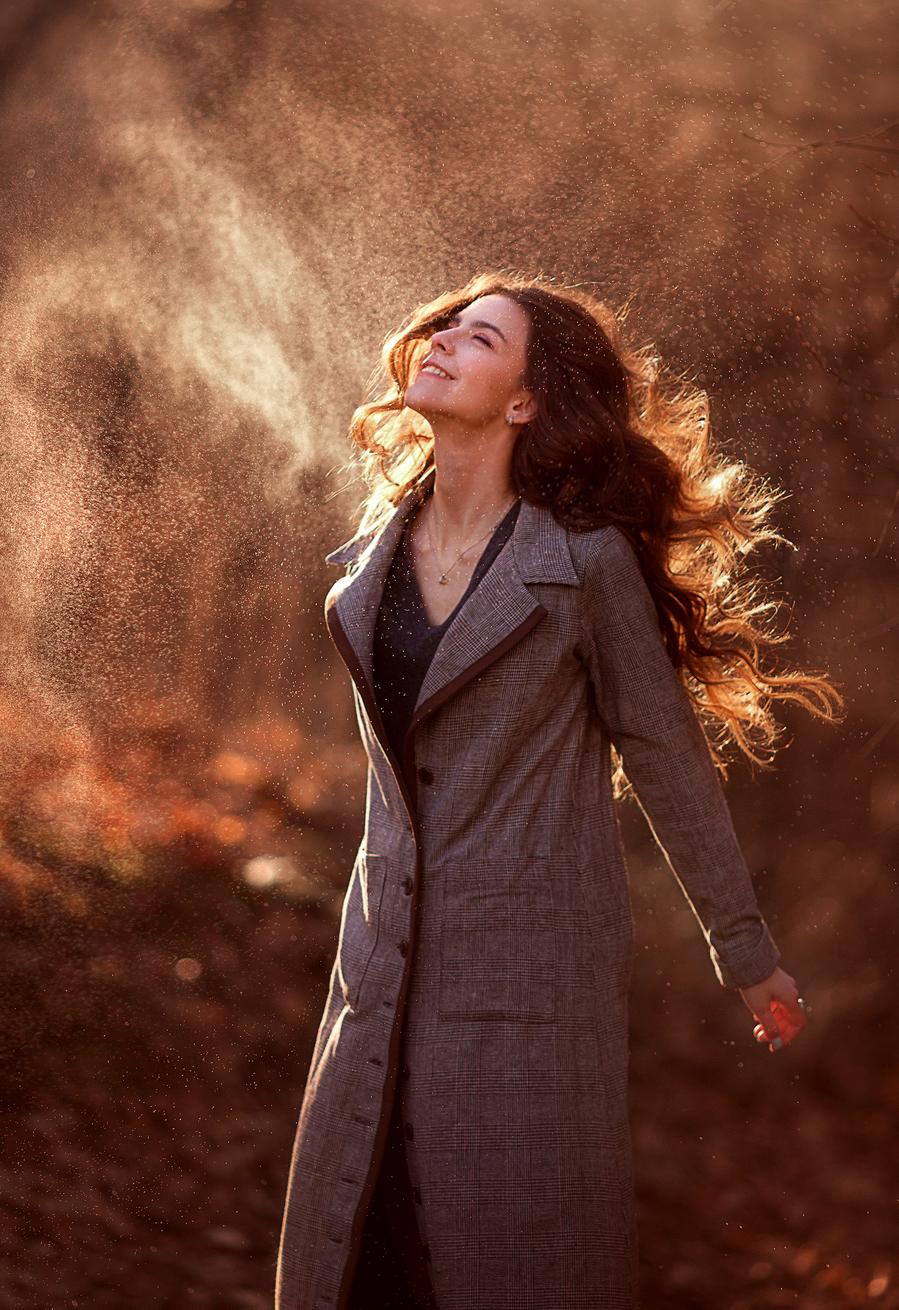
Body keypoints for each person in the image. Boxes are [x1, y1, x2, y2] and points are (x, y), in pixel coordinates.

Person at [275, 275, 838, 1310]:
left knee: (513, 1263)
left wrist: (745, 950)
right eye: (443, 324)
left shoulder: (582, 565)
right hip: (376, 972)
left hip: (525, 981)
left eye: (478, 337)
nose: (440, 340)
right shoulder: (371, 556)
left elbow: (665, 757)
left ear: (526, 400)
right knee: (358, 1262)